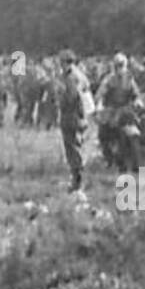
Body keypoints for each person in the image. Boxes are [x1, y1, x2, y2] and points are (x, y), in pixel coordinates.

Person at [58, 50, 89, 192]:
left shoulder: (71, 78)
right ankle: (76, 179)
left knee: (73, 149)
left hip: (72, 116)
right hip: (77, 116)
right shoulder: (80, 76)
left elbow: (70, 98)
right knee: (74, 147)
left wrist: (60, 99)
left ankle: (78, 181)